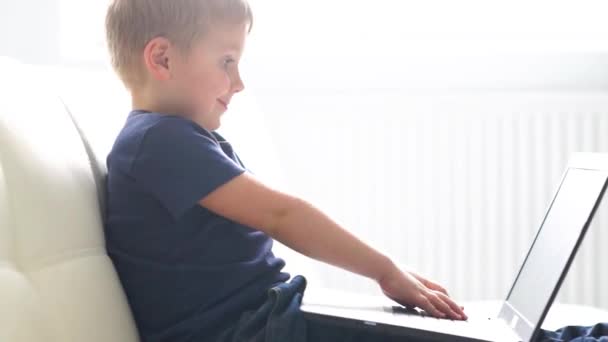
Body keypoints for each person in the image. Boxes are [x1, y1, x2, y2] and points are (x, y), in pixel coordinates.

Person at [103, 1, 606, 341]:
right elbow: (282, 213)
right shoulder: (156, 142)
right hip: (261, 330)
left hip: (272, 317)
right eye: (227, 60)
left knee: (474, 329)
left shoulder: (171, 139)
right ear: (162, 58)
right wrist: (386, 271)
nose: (238, 82)